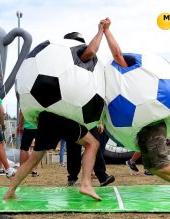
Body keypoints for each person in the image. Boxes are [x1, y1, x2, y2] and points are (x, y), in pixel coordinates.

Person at [103, 17, 170, 201]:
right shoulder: (121, 82)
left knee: (160, 163)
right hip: (143, 127)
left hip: (153, 123)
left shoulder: (129, 70)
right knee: (151, 167)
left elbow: (117, 54)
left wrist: (106, 31)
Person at [3, 20, 108, 201]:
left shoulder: (55, 57)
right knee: (93, 144)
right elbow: (91, 51)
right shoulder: (78, 53)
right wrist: (101, 31)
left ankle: (10, 191)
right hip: (62, 115)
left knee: (34, 158)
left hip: (46, 115)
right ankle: (86, 185)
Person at [63, 31, 115, 187]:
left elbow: (98, 91)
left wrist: (99, 120)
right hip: (71, 112)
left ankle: (102, 176)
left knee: (94, 145)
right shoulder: (63, 63)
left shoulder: (91, 62)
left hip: (88, 113)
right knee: (73, 146)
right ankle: (72, 176)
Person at [17, 110, 39, 177]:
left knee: (24, 148)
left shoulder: (26, 101)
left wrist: (20, 125)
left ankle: (21, 170)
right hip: (38, 127)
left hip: (27, 127)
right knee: (37, 149)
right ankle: (34, 171)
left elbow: (21, 113)